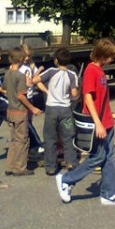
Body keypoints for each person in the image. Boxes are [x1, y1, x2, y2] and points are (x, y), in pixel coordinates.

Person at [55, 38, 115, 206]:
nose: (112, 60)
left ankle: (108, 193)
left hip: (106, 122)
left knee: (109, 157)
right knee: (98, 157)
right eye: (111, 56)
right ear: (102, 55)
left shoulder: (100, 70)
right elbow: (87, 97)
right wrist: (98, 122)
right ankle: (66, 179)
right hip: (97, 123)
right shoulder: (91, 70)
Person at [34, 48, 79, 176]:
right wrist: (69, 96)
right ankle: (71, 162)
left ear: (55, 61)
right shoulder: (72, 74)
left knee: (50, 137)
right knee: (68, 136)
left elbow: (35, 81)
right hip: (66, 110)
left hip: (51, 109)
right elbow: (75, 94)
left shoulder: (51, 71)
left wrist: (46, 91)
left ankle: (50, 167)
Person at [4, 47, 41, 176]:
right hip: (20, 111)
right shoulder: (20, 76)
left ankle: (10, 165)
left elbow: (6, 89)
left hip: (10, 110)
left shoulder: (7, 73)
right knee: (22, 140)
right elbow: (21, 95)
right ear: (20, 59)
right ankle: (19, 167)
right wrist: (33, 108)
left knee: (14, 139)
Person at [19, 43, 44, 159]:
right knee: (26, 124)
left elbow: (35, 80)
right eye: (25, 56)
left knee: (29, 122)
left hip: (30, 96)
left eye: (29, 56)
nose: (27, 58)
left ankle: (30, 147)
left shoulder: (31, 66)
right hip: (22, 97)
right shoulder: (19, 68)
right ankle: (35, 144)